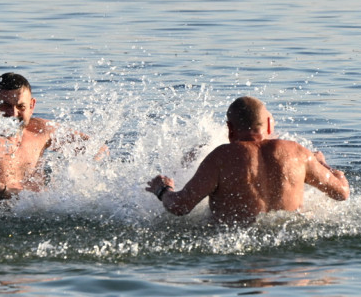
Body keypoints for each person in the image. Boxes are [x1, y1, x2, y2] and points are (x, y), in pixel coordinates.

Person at [146, 96, 349, 224]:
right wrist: (323, 164)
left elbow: (180, 207)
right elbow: (342, 193)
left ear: (230, 128)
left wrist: (162, 189)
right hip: (288, 250)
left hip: (234, 243)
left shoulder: (221, 156)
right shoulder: (298, 152)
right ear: (269, 125)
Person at [0, 72, 98, 209]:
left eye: (20, 106)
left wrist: (75, 178)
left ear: (31, 105)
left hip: (36, 214)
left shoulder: (42, 130)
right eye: (5, 105)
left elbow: (97, 148)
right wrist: (1, 191)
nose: (13, 113)